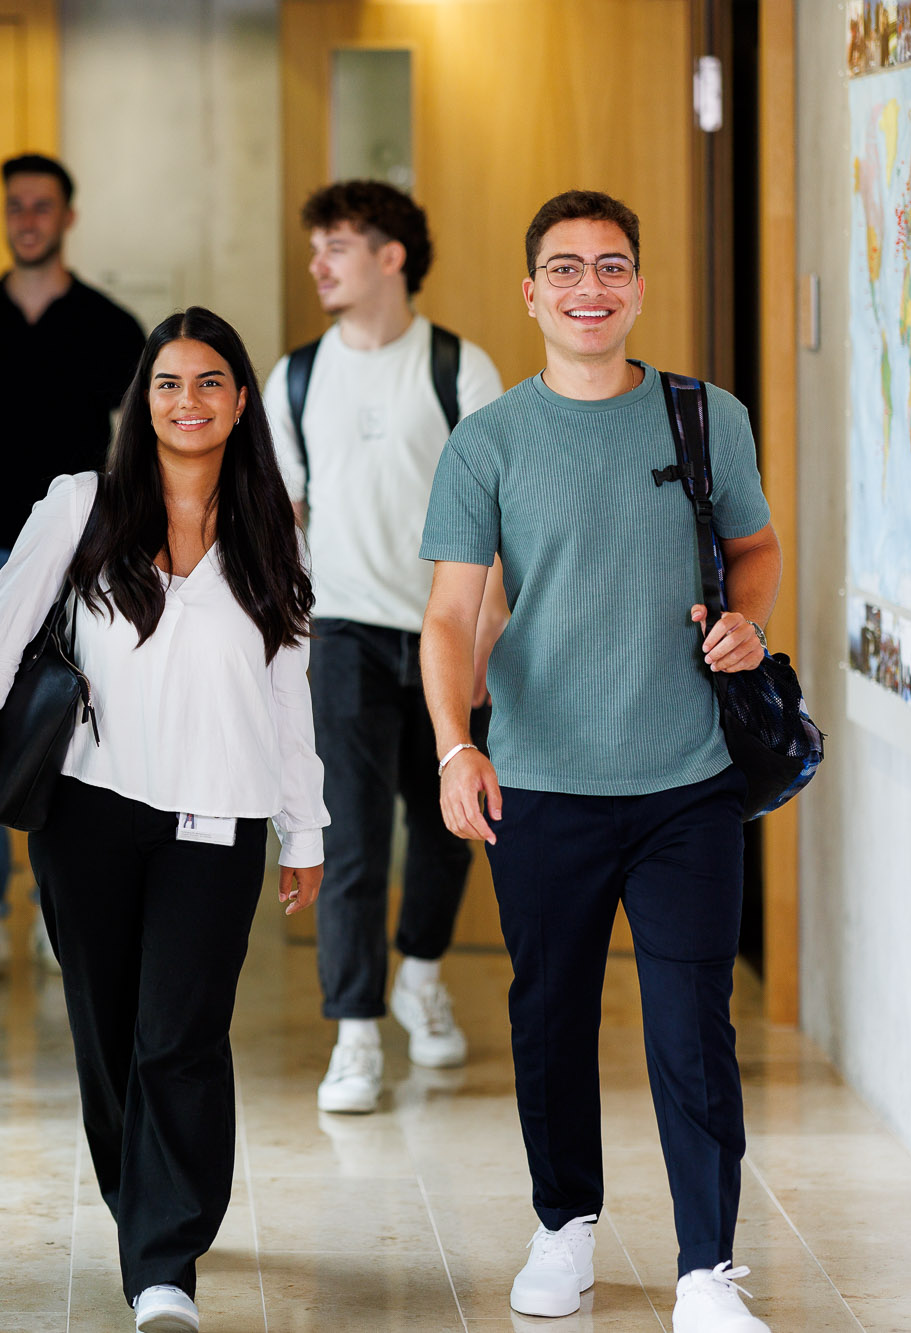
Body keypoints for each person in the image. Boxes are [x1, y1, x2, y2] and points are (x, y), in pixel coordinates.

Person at [419, 191, 782, 1333]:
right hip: (539, 780)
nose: (591, 287)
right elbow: (448, 617)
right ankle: (564, 1225)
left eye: (612, 266)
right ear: (531, 293)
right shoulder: (487, 440)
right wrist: (455, 746)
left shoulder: (704, 416)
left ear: (638, 286)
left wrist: (748, 621)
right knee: (551, 1016)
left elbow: (755, 546)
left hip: (687, 779)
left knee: (692, 1022)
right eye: (566, 269)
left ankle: (705, 1269)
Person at [0, 308, 327, 1333]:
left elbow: (288, 691)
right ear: (141, 399)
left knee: (179, 1035)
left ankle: (162, 1261)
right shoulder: (81, 505)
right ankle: (145, 1204)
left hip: (220, 815)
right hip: (88, 808)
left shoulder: (273, 526)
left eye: (209, 382)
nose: (188, 401)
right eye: (167, 382)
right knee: (108, 1032)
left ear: (240, 401)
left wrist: (305, 826)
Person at [265, 180, 507, 1116]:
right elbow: (284, 518)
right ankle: (356, 1032)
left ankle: (421, 973)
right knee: (354, 837)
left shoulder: (458, 368)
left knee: (452, 824)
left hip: (449, 629)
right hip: (342, 634)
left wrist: (488, 632)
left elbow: (498, 514)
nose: (318, 264)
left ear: (390, 256)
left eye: (336, 246)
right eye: (316, 248)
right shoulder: (296, 377)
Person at [0, 152, 147, 981]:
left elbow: (138, 452)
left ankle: (60, 905)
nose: (28, 219)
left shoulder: (111, 326)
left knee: (77, 722)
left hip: (86, 557)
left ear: (68, 217)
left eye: (42, 206)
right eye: (16, 205)